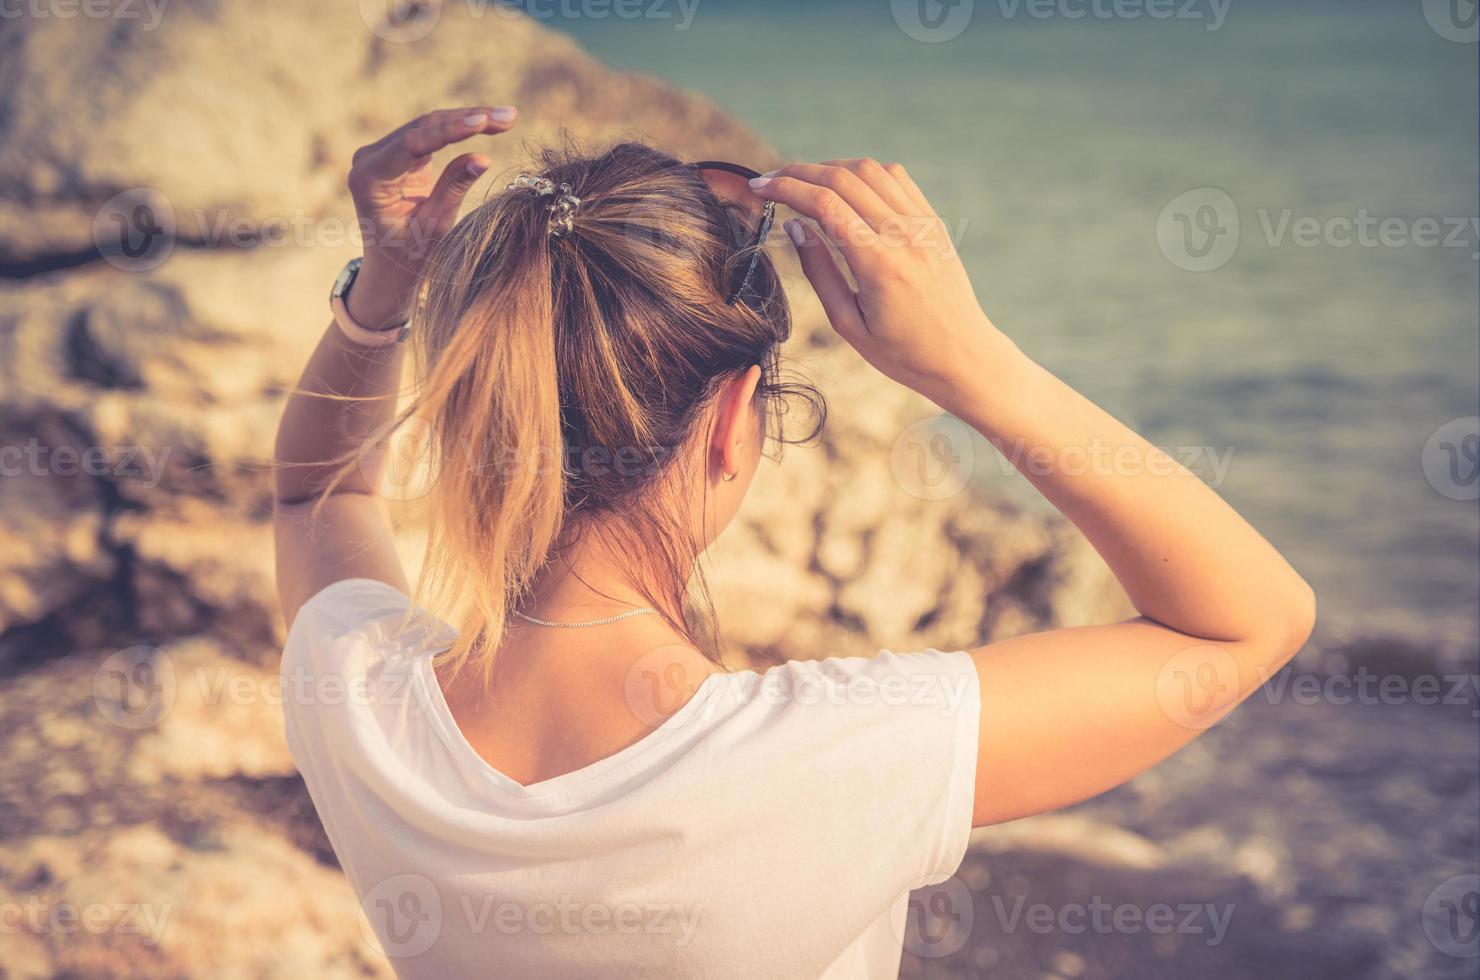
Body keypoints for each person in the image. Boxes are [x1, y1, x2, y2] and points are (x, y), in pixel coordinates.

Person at [272, 106, 1315, 978]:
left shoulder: (363, 703)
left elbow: (317, 493)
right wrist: (971, 364)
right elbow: (1249, 624)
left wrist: (384, 292)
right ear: (734, 418)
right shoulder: (827, 760)